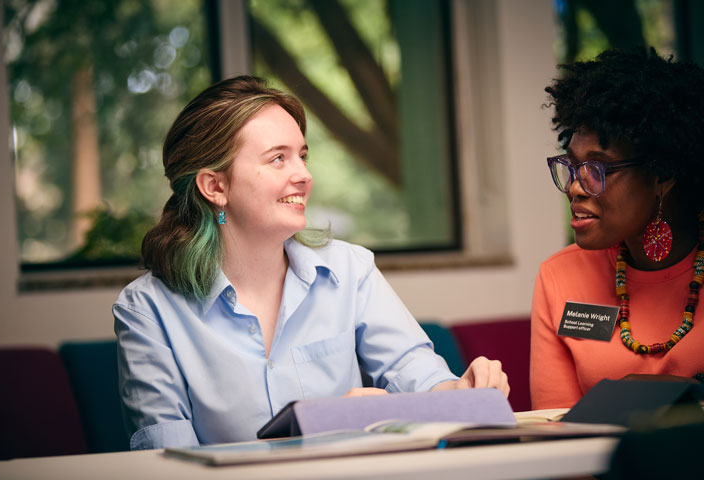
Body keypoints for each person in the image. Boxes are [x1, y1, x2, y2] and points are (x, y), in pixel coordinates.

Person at [114, 76, 509, 450]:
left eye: (302, 156)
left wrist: (461, 392)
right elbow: (167, 462)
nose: (304, 175)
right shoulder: (147, 310)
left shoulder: (351, 269)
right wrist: (332, 426)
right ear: (215, 187)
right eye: (278, 159)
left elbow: (415, 371)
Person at [530, 47, 704, 409]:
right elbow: (556, 436)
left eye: (599, 169)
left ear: (663, 174)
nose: (576, 186)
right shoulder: (559, 277)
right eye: (573, 166)